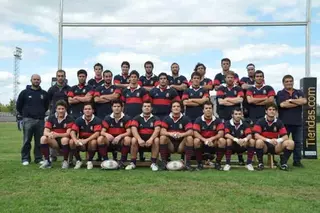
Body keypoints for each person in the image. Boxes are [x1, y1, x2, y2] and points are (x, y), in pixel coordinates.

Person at [16, 74, 49, 165]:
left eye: (38, 79)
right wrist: (24, 114)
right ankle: (25, 158)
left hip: (40, 120)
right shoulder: (24, 93)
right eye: (34, 79)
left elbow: (46, 106)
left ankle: (38, 158)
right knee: (27, 140)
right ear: (31, 80)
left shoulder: (44, 93)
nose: (36, 81)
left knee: (39, 141)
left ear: (40, 81)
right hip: (28, 120)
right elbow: (19, 106)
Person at [253, 103, 295, 171]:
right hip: (265, 146)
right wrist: (269, 140)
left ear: (276, 112)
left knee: (291, 143)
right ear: (266, 111)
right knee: (259, 141)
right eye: (270, 109)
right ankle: (260, 164)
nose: (272, 111)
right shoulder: (260, 121)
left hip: (275, 146)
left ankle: (283, 164)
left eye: (274, 110)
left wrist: (278, 140)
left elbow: (286, 136)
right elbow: (256, 135)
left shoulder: (279, 122)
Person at [277, 75, 307, 167]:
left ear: (293, 82)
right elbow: (282, 105)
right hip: (284, 123)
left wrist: (290, 101)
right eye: (287, 81)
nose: (289, 83)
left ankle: (297, 161)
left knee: (298, 142)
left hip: (297, 123)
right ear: (283, 83)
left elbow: (304, 101)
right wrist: (297, 102)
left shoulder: (299, 92)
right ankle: (283, 160)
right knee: (283, 142)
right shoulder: (280, 93)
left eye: (290, 81)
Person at [159, 100, 194, 171]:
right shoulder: (166, 118)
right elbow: (162, 131)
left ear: (181, 108)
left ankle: (187, 164)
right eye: (174, 106)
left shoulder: (185, 118)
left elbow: (191, 131)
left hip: (181, 145)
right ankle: (164, 163)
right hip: (170, 145)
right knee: (163, 137)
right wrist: (170, 134)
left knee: (189, 138)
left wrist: (182, 134)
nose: (176, 108)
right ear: (171, 108)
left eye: (178, 106)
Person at [127, 101, 162, 171]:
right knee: (134, 139)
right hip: (140, 141)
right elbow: (133, 129)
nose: (147, 108)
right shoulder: (136, 118)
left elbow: (157, 129)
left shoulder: (156, 118)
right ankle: (133, 163)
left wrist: (151, 139)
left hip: (151, 140)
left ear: (151, 108)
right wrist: (139, 139)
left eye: (148, 106)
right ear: (142, 108)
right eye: (145, 106)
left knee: (157, 140)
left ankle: (153, 163)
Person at [97, 100, 132, 169]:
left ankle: (122, 161)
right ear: (112, 108)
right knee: (100, 139)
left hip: (121, 141)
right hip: (110, 141)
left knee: (127, 139)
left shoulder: (126, 118)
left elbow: (129, 132)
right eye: (114, 106)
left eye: (118, 106)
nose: (116, 108)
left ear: (122, 108)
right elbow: (102, 132)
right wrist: (107, 134)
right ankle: (105, 160)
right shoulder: (107, 118)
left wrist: (120, 136)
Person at [39, 100, 74, 169]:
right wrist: (49, 134)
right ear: (56, 109)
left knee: (64, 139)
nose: (61, 111)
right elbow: (45, 132)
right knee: (43, 138)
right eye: (59, 109)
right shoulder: (51, 117)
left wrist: (57, 134)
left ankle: (65, 161)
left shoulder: (70, 118)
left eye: (62, 109)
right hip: (54, 142)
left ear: (65, 109)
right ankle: (47, 161)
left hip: (66, 141)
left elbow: (68, 134)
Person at [193, 101, 226, 171]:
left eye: (210, 108)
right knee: (196, 141)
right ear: (203, 110)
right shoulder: (198, 120)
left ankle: (217, 163)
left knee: (222, 141)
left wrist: (211, 139)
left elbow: (221, 133)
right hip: (202, 142)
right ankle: (199, 164)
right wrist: (204, 140)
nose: (208, 110)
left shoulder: (218, 120)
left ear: (212, 110)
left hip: (213, 142)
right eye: (206, 108)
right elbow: (195, 133)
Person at [69, 103, 102, 169]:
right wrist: (75, 140)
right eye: (85, 109)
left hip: (91, 142)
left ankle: (89, 161)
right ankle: (79, 160)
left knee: (93, 142)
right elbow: (72, 131)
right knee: (71, 141)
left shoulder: (97, 120)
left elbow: (97, 133)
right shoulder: (79, 120)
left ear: (93, 110)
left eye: (89, 109)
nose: (87, 110)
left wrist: (86, 140)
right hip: (82, 142)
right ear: (83, 111)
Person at [47, 69, 71, 162]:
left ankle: (68, 157)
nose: (60, 77)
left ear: (65, 77)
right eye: (59, 76)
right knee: (52, 135)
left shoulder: (69, 89)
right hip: (54, 116)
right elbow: (48, 101)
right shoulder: (51, 89)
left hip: (66, 116)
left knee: (66, 136)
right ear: (56, 77)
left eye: (62, 76)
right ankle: (52, 155)